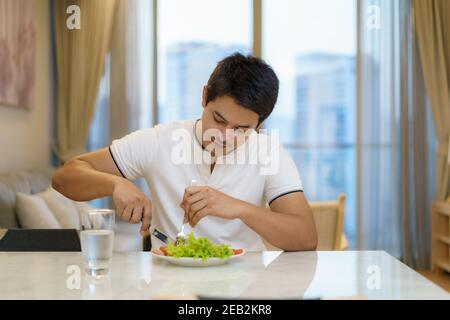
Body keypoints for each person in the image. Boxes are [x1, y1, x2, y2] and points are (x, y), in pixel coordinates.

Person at [52, 53, 317, 251]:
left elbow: (306, 237)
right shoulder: (160, 141)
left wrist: (239, 209)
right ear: (204, 97)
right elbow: (64, 177)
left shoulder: (268, 152)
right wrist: (115, 184)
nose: (224, 136)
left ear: (259, 124)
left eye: (241, 129)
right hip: (169, 286)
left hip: (245, 288)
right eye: (219, 119)